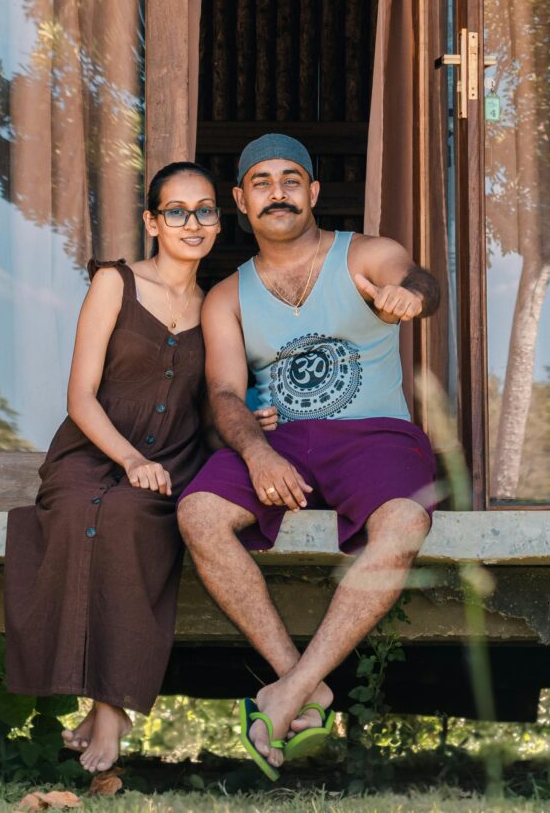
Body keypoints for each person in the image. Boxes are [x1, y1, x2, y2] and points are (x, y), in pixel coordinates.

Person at [176, 133, 443, 776]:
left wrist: (412, 293)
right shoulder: (227, 297)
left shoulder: (365, 253)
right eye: (261, 182)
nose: (278, 193)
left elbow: (415, 279)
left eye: (291, 180)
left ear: (314, 193)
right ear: (241, 201)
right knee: (199, 514)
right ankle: (303, 684)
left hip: (376, 436)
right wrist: (258, 452)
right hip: (282, 442)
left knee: (406, 523)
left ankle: (289, 694)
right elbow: (224, 393)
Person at [2, 162, 222, 774]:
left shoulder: (220, 302)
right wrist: (128, 457)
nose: (192, 223)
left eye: (205, 210)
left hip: (173, 459)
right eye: (175, 211)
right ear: (153, 221)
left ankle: (110, 707)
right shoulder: (114, 283)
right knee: (78, 511)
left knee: (130, 517)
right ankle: (105, 706)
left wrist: (249, 422)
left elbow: (212, 403)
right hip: (93, 451)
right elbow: (80, 395)